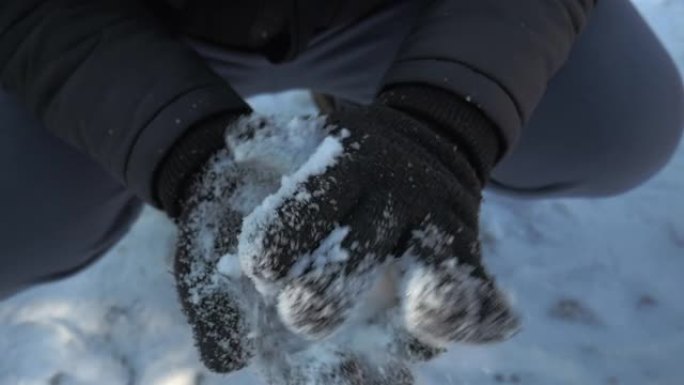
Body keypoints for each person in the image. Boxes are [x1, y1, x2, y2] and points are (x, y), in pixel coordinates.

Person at [1, 0, 683, 379]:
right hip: (116, 25)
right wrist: (179, 146)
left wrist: (444, 116)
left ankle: (366, 106)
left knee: (621, 120)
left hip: (398, 12)